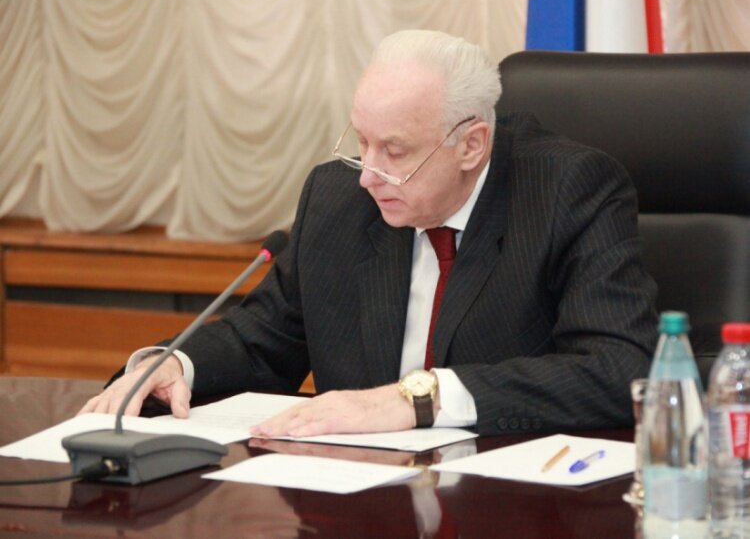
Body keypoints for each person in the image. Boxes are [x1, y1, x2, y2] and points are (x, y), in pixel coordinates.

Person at [80, 29, 658, 437]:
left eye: (395, 151)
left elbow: (619, 370)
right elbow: (264, 338)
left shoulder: (567, 191)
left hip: (510, 500)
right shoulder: (338, 197)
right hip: (359, 495)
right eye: (361, 142)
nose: (368, 175)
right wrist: (174, 364)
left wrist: (420, 399)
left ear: (472, 145)